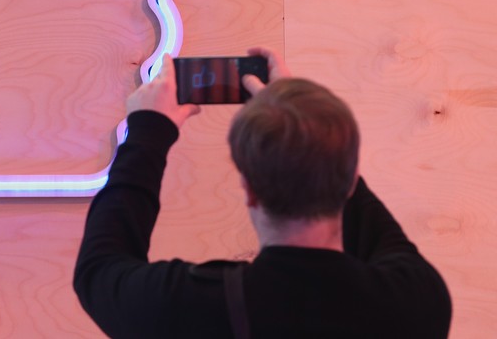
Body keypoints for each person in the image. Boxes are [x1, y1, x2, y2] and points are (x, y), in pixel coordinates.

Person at [73, 48, 451, 338]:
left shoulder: (194, 305)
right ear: (350, 178)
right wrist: (307, 126)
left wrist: (149, 131)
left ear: (250, 191)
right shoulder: (415, 302)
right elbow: (369, 218)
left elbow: (99, 268)